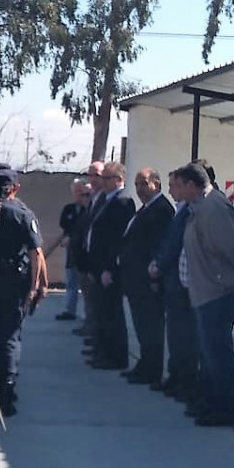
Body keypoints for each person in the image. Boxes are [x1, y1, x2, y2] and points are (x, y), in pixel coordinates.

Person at [179, 162, 234, 427]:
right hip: (208, 291)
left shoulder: (213, 208)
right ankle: (211, 402)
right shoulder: (200, 208)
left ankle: (224, 409)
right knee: (210, 353)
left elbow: (232, 248)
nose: (176, 191)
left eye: (180, 185)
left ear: (192, 185)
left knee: (218, 354)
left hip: (219, 292)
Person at [0, 168, 47, 415]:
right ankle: (5, 391)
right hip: (13, 283)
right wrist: (35, 286)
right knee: (9, 337)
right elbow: (35, 254)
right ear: (14, 188)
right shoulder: (23, 214)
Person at [120, 168, 174, 387]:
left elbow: (159, 246)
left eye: (144, 184)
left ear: (157, 184)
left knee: (151, 326)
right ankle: (145, 365)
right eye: (137, 185)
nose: (140, 189)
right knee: (142, 325)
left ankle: (151, 370)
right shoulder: (146, 209)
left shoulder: (162, 209)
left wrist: (154, 277)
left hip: (148, 280)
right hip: (136, 279)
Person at [149, 171, 199, 403]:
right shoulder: (181, 210)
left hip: (182, 283)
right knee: (176, 333)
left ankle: (185, 381)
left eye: (174, 185)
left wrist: (159, 265)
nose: (170, 190)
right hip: (173, 281)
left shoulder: (190, 211)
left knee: (184, 336)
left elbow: (174, 244)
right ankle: (175, 376)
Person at [85, 162, 135, 370]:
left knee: (112, 312)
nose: (102, 182)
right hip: (98, 266)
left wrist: (108, 268)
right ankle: (103, 352)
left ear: (118, 180)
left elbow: (116, 240)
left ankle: (116, 357)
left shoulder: (123, 202)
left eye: (106, 179)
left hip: (110, 268)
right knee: (102, 311)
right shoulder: (105, 200)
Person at [50, 178, 91, 321]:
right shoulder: (69, 209)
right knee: (71, 280)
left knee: (87, 285)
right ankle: (69, 310)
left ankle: (89, 316)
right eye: (77, 192)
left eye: (83, 192)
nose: (80, 195)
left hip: (85, 250)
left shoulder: (90, 210)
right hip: (71, 250)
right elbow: (65, 225)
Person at [76, 162, 105, 348]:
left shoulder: (108, 199)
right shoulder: (94, 198)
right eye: (90, 175)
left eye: (97, 175)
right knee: (90, 300)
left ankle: (99, 340)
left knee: (100, 305)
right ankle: (95, 338)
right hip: (87, 259)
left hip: (100, 262)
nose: (92, 179)